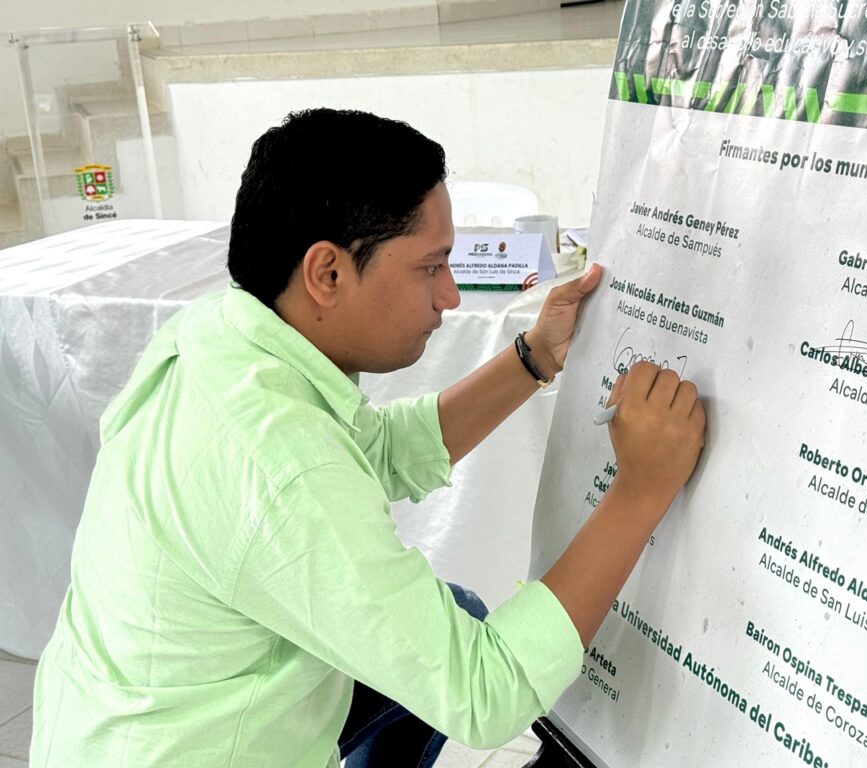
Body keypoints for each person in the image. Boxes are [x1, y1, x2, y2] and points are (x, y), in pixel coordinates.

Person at [30, 108, 706, 768]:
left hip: (112, 724)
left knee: (456, 612)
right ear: (327, 274)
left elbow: (377, 449)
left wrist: (533, 357)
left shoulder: (220, 333)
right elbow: (486, 691)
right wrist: (641, 490)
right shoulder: (278, 462)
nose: (450, 296)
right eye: (430, 267)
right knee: (461, 656)